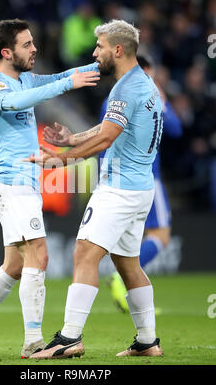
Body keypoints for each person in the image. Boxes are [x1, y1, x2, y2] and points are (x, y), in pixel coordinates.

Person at [0, 18, 100, 359]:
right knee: (40, 255)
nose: (35, 49)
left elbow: (57, 79)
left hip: (23, 183)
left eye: (33, 42)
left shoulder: (26, 79)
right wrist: (67, 85)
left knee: (15, 266)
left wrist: (103, 63)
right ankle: (33, 341)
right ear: (7, 52)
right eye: (27, 45)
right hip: (11, 181)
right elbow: (21, 102)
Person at [26, 19, 164, 359]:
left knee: (84, 253)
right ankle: (148, 341)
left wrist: (60, 160)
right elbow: (109, 126)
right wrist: (73, 138)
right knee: (129, 265)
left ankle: (69, 338)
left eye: (99, 46)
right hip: (139, 188)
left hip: (117, 191)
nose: (94, 52)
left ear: (117, 50)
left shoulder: (125, 89)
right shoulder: (144, 85)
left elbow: (106, 137)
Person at [102, 56, 182, 313]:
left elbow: (103, 137)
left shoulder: (110, 98)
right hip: (145, 177)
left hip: (115, 177)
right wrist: (163, 98)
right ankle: (121, 279)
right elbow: (175, 129)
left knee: (128, 239)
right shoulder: (148, 97)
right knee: (160, 235)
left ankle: (131, 295)